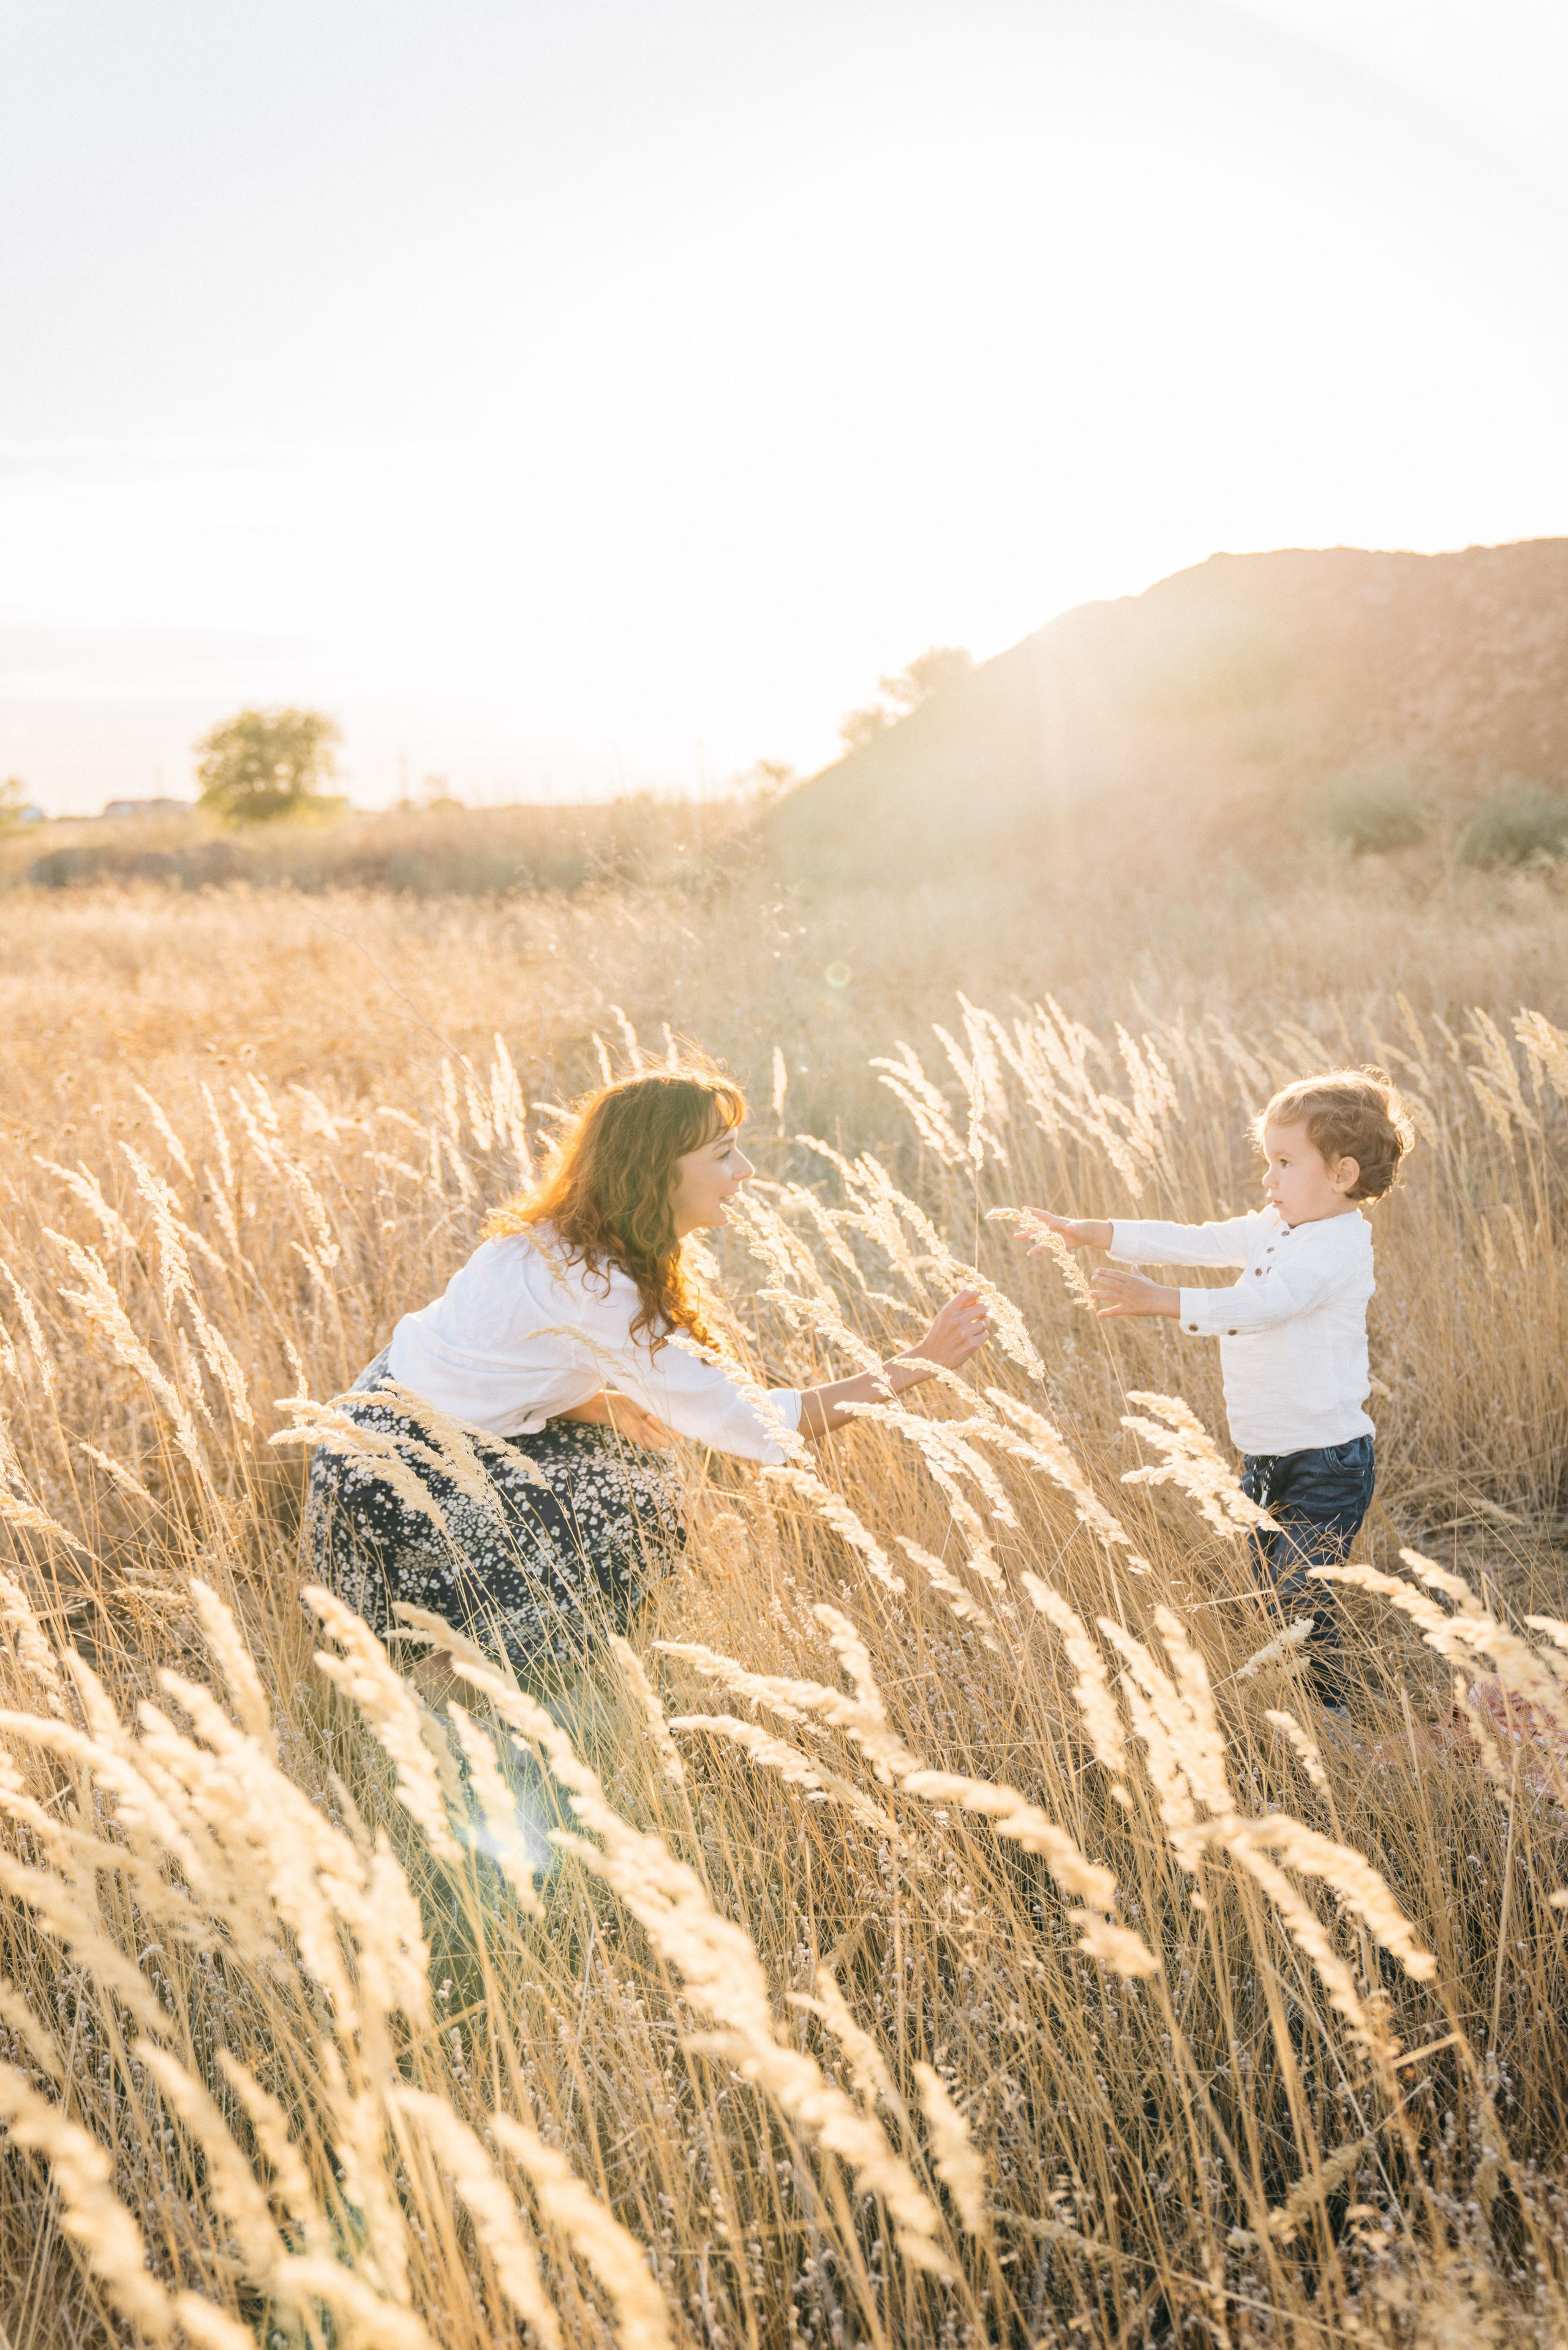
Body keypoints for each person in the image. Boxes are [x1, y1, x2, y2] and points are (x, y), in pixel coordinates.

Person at [309, 1064, 990, 1692]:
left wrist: (593, 1405)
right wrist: (917, 1363)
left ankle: (479, 1650)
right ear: (653, 1173)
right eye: (723, 1154)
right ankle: (489, 1685)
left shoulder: (548, 1239)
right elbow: (753, 1424)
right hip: (392, 1478)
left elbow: (484, 1367)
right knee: (636, 1504)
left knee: (626, 1455)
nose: (745, 1170)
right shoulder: (598, 1284)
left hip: (365, 1431)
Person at [1018, 1068, 1413, 1708]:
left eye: (1285, 1163)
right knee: (1266, 1585)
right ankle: (1295, 1700)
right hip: (1265, 1453)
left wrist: (1162, 1300)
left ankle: (1332, 1714)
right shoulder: (1274, 1226)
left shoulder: (1336, 1246)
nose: (1268, 1179)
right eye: (1268, 1162)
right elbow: (1198, 1241)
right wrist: (1094, 1230)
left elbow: (1266, 1305)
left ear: (1341, 1175)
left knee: (1299, 1590)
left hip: (1326, 1460)